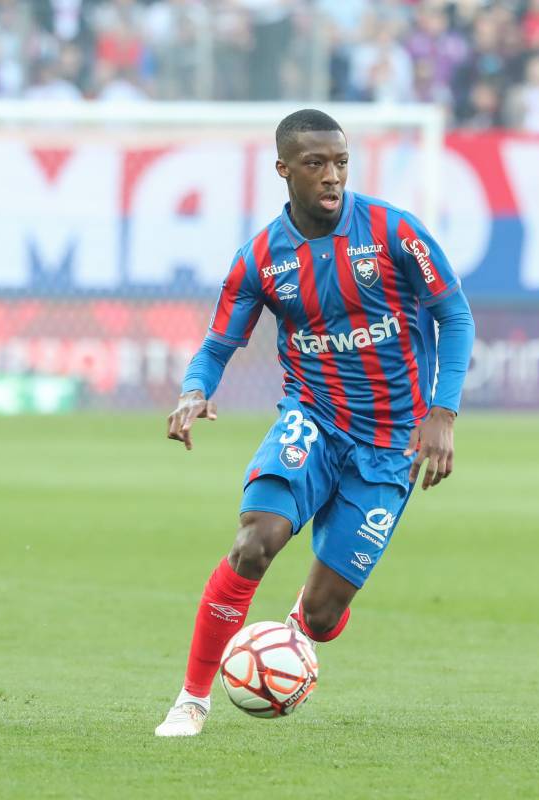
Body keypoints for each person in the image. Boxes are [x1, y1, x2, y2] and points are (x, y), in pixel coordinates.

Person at [154, 110, 475, 736]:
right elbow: (218, 345)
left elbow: (454, 315)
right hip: (314, 420)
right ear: (284, 169)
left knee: (324, 618)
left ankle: (299, 630)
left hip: (390, 442)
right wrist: (195, 391)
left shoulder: (393, 231)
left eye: (341, 163)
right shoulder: (260, 259)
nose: (332, 176)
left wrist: (443, 411)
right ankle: (191, 699)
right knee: (255, 541)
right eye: (316, 164)